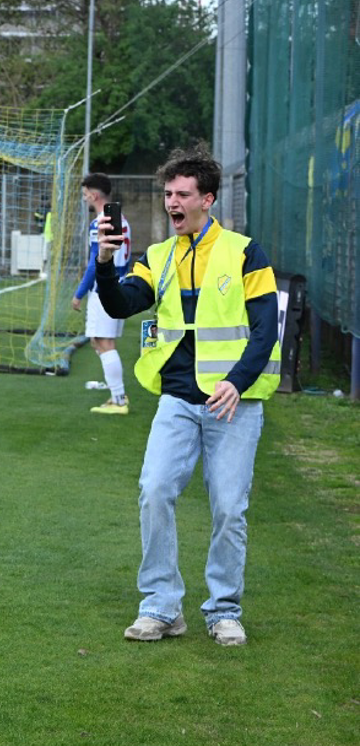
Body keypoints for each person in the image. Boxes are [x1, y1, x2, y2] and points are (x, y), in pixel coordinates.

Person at [95, 143, 280, 648]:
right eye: (167, 194)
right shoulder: (159, 256)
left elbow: (266, 330)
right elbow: (122, 302)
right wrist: (106, 261)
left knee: (228, 509)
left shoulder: (245, 252)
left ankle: (223, 610)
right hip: (176, 402)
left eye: (181, 194)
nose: (171, 203)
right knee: (154, 490)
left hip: (233, 405)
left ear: (208, 199)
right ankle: (160, 608)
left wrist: (236, 382)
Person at [71, 173, 133, 414]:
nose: (85, 198)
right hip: (120, 284)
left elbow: (94, 263)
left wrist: (79, 293)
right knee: (104, 342)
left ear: (94, 195)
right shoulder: (121, 220)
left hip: (103, 287)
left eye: (86, 194)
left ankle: (118, 399)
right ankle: (116, 391)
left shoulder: (100, 222)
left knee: (102, 341)